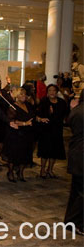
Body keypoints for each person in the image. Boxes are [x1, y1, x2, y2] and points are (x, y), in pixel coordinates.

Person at [2, 87, 36, 182]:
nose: (23, 96)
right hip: (16, 134)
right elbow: (12, 121)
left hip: (27, 134)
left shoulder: (28, 105)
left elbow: (33, 116)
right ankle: (11, 172)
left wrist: (39, 119)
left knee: (25, 154)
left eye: (24, 94)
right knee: (14, 155)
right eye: (21, 94)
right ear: (16, 95)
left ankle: (20, 172)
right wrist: (25, 123)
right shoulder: (12, 107)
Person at [36, 84, 69, 178]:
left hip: (57, 130)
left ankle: (50, 169)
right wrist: (41, 118)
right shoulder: (44, 101)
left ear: (56, 91)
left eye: (54, 90)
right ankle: (42, 170)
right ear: (47, 92)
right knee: (45, 151)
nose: (52, 92)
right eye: (50, 90)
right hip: (46, 130)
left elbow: (65, 115)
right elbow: (37, 115)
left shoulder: (62, 102)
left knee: (55, 151)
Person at [64, 92, 83, 236]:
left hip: (76, 153)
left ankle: (70, 222)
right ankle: (77, 223)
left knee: (76, 191)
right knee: (81, 193)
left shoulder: (76, 110)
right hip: (81, 155)